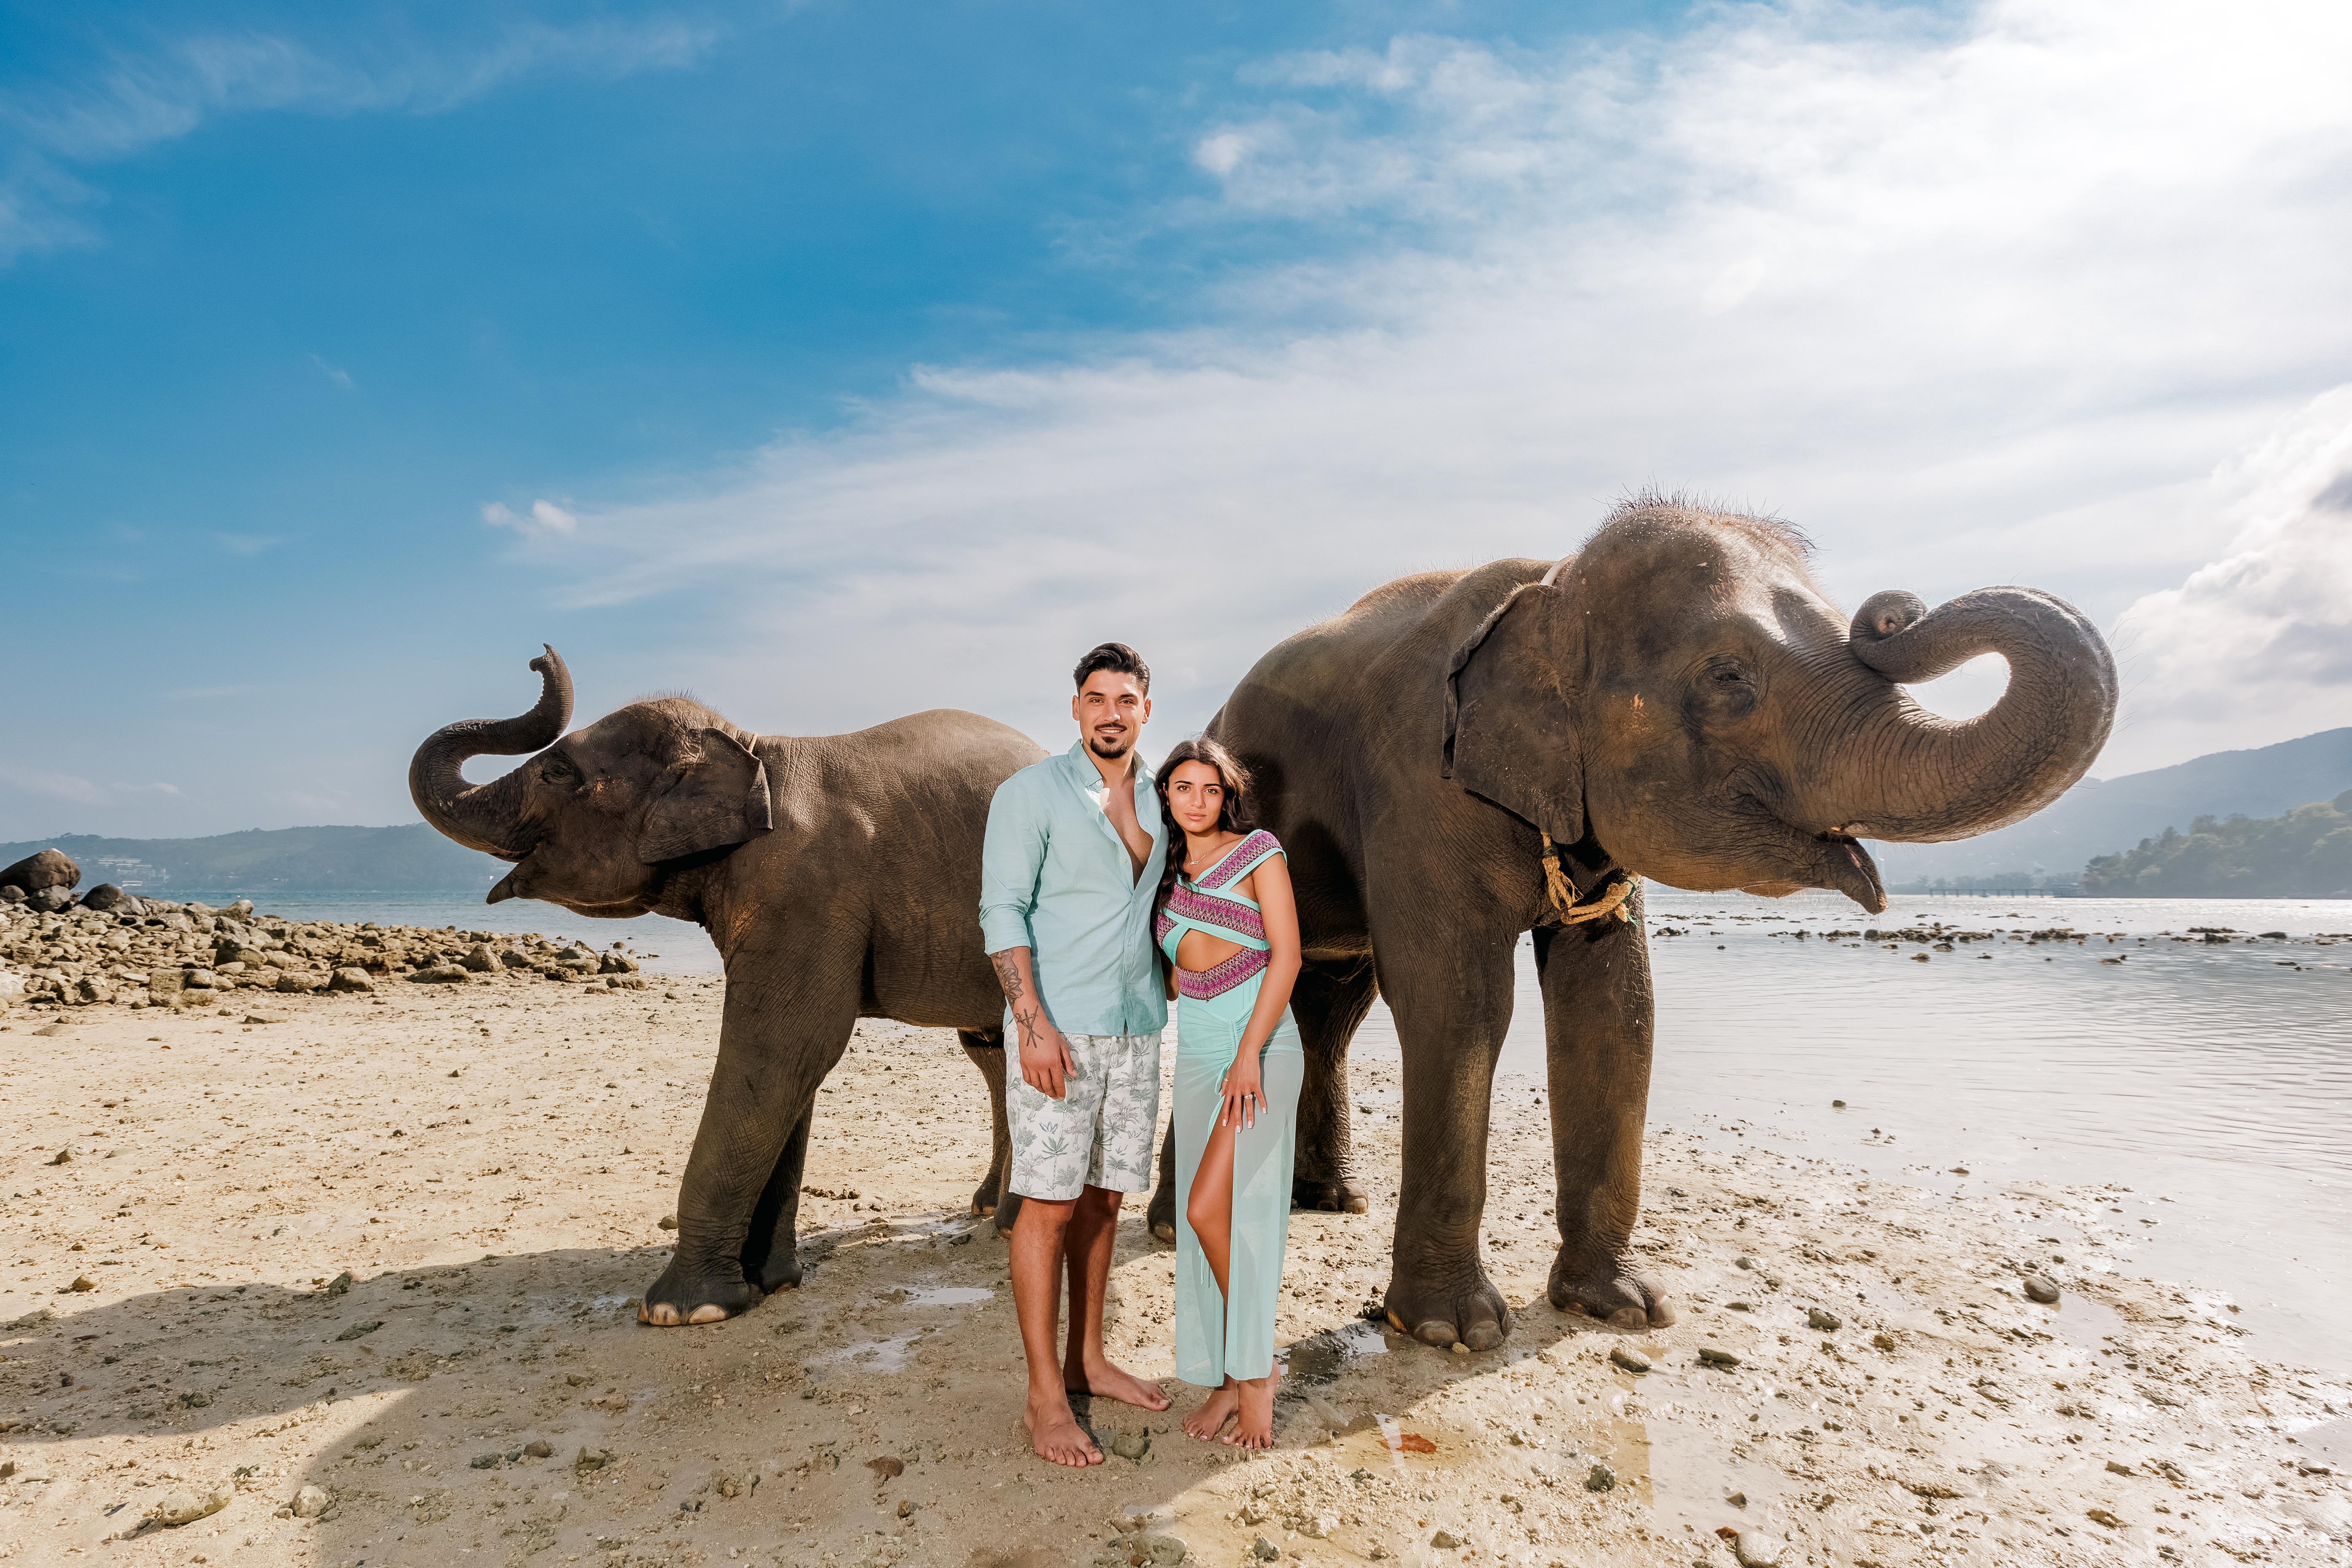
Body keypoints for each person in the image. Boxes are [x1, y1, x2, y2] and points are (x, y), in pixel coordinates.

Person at [978, 642, 1173, 1467]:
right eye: (1096, 699)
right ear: (1075, 709)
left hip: (1139, 1030)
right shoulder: (1030, 795)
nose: (1110, 713)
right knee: (1046, 1204)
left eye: (1125, 700)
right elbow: (1002, 909)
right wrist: (1029, 1021)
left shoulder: (1168, 801)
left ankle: (1088, 1358)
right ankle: (1043, 1396)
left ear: (1145, 711)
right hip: (1058, 1030)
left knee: (1104, 1202)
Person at [1153, 737, 1303, 1449]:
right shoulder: (1164, 870)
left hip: (1262, 1047)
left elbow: (1288, 955)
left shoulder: (1259, 852)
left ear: (1226, 796)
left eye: (1209, 790)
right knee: (1202, 1220)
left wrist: (1249, 1055)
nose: (1197, 801)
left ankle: (1256, 1373)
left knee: (1213, 1209)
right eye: (1183, 788)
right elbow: (1179, 974)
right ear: (1168, 796)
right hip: (1198, 1051)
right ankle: (1222, 1379)